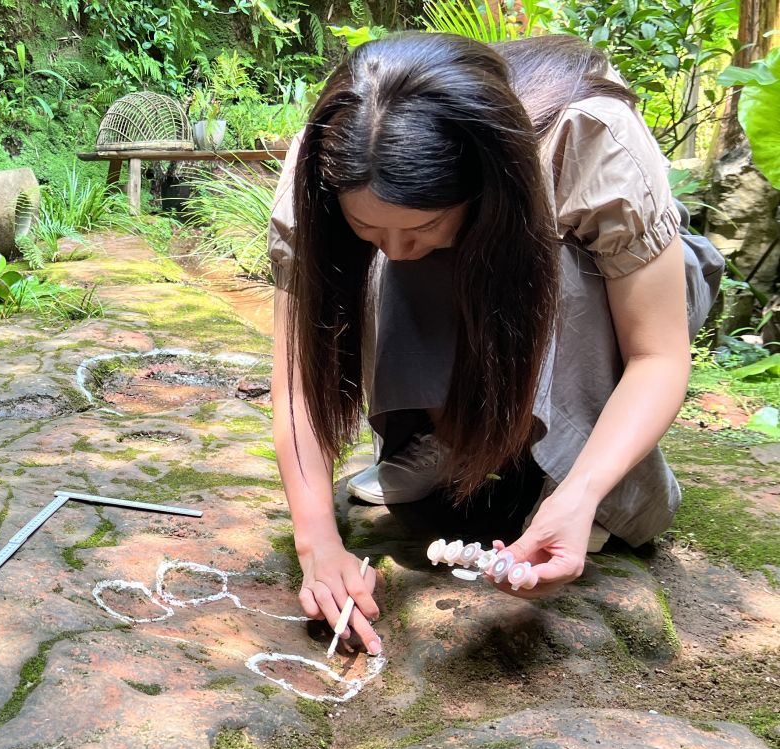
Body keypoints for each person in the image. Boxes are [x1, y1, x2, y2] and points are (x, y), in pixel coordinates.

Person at [266, 32, 725, 655]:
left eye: (423, 225)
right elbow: (296, 379)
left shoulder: (588, 138)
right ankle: (441, 435)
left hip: (620, 293)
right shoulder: (322, 166)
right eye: (366, 227)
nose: (394, 250)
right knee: (397, 261)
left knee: (557, 271)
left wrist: (580, 494)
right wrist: (317, 540)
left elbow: (659, 355)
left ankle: (572, 462)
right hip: (479, 283)